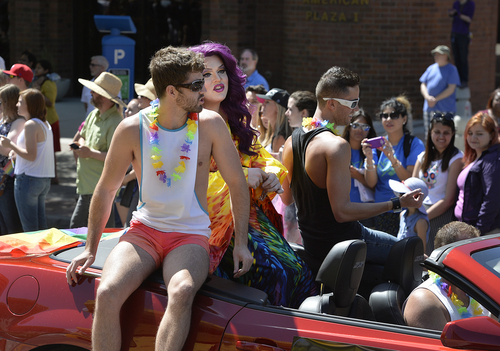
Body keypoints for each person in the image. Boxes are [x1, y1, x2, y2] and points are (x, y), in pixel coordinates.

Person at [66, 46, 252, 351]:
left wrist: (241, 242)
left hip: (190, 235)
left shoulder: (210, 124)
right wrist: (90, 248)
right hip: (144, 231)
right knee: (107, 293)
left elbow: (236, 183)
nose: (203, 88)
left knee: (181, 291)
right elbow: (106, 189)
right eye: (196, 84)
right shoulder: (131, 128)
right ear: (172, 92)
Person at [191, 42, 316, 308]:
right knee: (276, 276)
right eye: (207, 74)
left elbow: (264, 159)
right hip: (209, 226)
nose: (217, 79)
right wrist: (238, 177)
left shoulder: (235, 119)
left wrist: (269, 173)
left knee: (299, 272)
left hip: (246, 217)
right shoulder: (184, 123)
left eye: (222, 71)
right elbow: (183, 180)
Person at [281, 66, 424, 272]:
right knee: (418, 255)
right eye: (353, 103)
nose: (356, 110)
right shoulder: (336, 146)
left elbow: (287, 198)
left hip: (314, 244)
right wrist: (397, 203)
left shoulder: (290, 141)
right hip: (345, 243)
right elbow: (342, 212)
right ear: (331, 104)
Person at [403, 221, 489, 330]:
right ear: (443, 255)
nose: (474, 259)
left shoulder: (477, 288)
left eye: (475, 252)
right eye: (466, 252)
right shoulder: (425, 301)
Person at [70, 72, 126, 229]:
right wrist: (81, 146)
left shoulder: (116, 122)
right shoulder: (93, 114)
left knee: (93, 231)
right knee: (85, 230)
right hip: (87, 186)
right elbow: (82, 136)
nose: (91, 93)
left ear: (105, 97)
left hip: (100, 188)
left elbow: (115, 157)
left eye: (95, 91)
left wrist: (89, 153)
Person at [363, 96, 425, 236]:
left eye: (394, 115)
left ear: (404, 119)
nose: (388, 119)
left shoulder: (413, 144)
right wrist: (368, 158)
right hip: (381, 210)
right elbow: (371, 183)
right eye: (384, 116)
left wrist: (392, 157)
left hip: (404, 210)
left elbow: (410, 180)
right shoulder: (377, 146)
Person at [0, 89, 54, 231]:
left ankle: (34, 254)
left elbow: (31, 155)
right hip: (41, 179)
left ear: (30, 105)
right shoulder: (44, 124)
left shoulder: (31, 124)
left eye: (20, 102)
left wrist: (10, 145)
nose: (17, 104)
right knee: (40, 226)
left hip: (28, 179)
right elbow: (35, 153)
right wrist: (15, 151)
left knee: (30, 228)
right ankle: (44, 253)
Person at [412, 112, 463, 254]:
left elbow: (448, 199)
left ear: (453, 134)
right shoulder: (422, 157)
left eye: (446, 133)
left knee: (434, 260)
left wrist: (423, 218)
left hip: (441, 214)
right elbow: (412, 188)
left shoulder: (457, 158)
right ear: (430, 132)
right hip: (420, 212)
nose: (441, 136)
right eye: (437, 132)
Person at [454, 112, 500, 235]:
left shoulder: (491, 160)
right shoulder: (475, 157)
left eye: (479, 134)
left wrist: (479, 231)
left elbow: (492, 199)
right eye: (470, 133)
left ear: (491, 135)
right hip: (467, 229)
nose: (473, 138)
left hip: (484, 232)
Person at [420, 45, 461, 138]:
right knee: (430, 134)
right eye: (435, 54)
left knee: (444, 135)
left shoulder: (452, 70)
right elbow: (423, 84)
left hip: (446, 109)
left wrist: (435, 99)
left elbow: (451, 89)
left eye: (438, 54)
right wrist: (427, 97)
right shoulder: (431, 68)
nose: (436, 56)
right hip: (429, 108)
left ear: (446, 56)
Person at [0, 84, 24, 234]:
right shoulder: (4, 120)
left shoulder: (19, 122)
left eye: (1, 101)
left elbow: (6, 149)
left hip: (8, 178)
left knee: (11, 224)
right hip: (1, 178)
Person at [32, 59, 61, 184]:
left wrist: (37, 91)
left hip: (51, 120)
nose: (36, 70)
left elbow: (50, 102)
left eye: (39, 68)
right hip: (41, 121)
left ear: (46, 70)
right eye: (36, 68)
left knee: (51, 149)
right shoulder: (36, 82)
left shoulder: (49, 84)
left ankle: (54, 176)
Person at [342, 109, 377, 204]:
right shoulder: (339, 149)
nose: (359, 130)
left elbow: (373, 185)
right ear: (349, 127)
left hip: (366, 209)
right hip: (343, 207)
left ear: (369, 130)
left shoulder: (372, 151)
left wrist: (357, 176)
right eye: (355, 125)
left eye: (365, 127)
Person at [389, 177, 430, 248]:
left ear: (415, 198)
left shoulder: (420, 222)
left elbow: (421, 250)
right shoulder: (402, 214)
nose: (399, 197)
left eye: (402, 194)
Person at [448, 0, 475, 87]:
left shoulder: (470, 4)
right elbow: (453, 18)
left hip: (463, 34)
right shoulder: (456, 3)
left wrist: (458, 14)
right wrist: (452, 14)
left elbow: (469, 19)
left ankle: (464, 80)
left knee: (463, 58)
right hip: (454, 33)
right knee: (456, 57)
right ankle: (457, 79)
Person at [257, 88, 291, 153]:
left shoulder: (280, 138)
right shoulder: (272, 132)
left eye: (267, 102)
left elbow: (276, 163)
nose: (263, 104)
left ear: (278, 108)